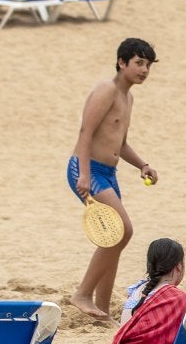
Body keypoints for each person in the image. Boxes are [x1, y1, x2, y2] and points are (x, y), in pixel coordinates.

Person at [68, 38, 158, 321]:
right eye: (138, 63)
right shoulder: (106, 90)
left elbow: (121, 142)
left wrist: (141, 164)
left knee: (115, 238)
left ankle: (102, 308)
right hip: (87, 170)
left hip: (109, 172)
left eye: (148, 65)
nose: (144, 70)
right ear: (122, 62)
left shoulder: (128, 97)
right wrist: (83, 174)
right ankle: (83, 294)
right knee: (122, 231)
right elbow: (85, 132)